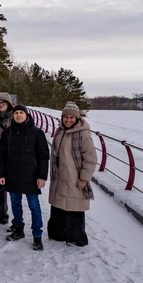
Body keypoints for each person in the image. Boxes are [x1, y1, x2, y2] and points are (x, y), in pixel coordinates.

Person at [0, 105, 49, 251]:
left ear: (27, 115)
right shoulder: (7, 133)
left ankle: (37, 236)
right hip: (12, 174)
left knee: (34, 206)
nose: (19, 115)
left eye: (21, 113)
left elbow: (43, 156)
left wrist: (42, 176)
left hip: (31, 176)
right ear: (12, 115)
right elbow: (1, 155)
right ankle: (18, 228)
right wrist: (1, 174)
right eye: (16, 113)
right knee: (15, 203)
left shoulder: (37, 133)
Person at [47, 102, 97, 247]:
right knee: (59, 206)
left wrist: (84, 178)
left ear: (77, 118)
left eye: (71, 118)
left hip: (74, 177)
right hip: (60, 175)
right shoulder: (60, 130)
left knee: (74, 208)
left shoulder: (83, 133)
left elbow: (91, 158)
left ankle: (76, 238)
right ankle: (58, 234)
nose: (68, 120)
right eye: (65, 117)